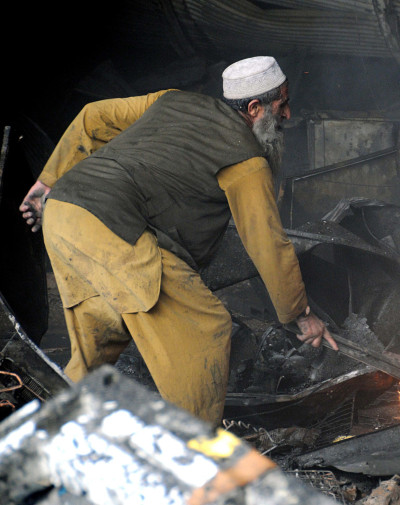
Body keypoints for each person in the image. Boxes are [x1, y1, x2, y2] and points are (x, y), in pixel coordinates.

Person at [18, 56, 338, 425]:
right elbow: (267, 244)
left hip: (64, 211)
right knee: (207, 327)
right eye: (281, 105)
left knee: (102, 333)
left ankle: (47, 434)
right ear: (254, 108)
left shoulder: (174, 100)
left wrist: (47, 182)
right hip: (112, 226)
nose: (287, 115)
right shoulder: (247, 161)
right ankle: (195, 453)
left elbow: (93, 118)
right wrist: (300, 315)